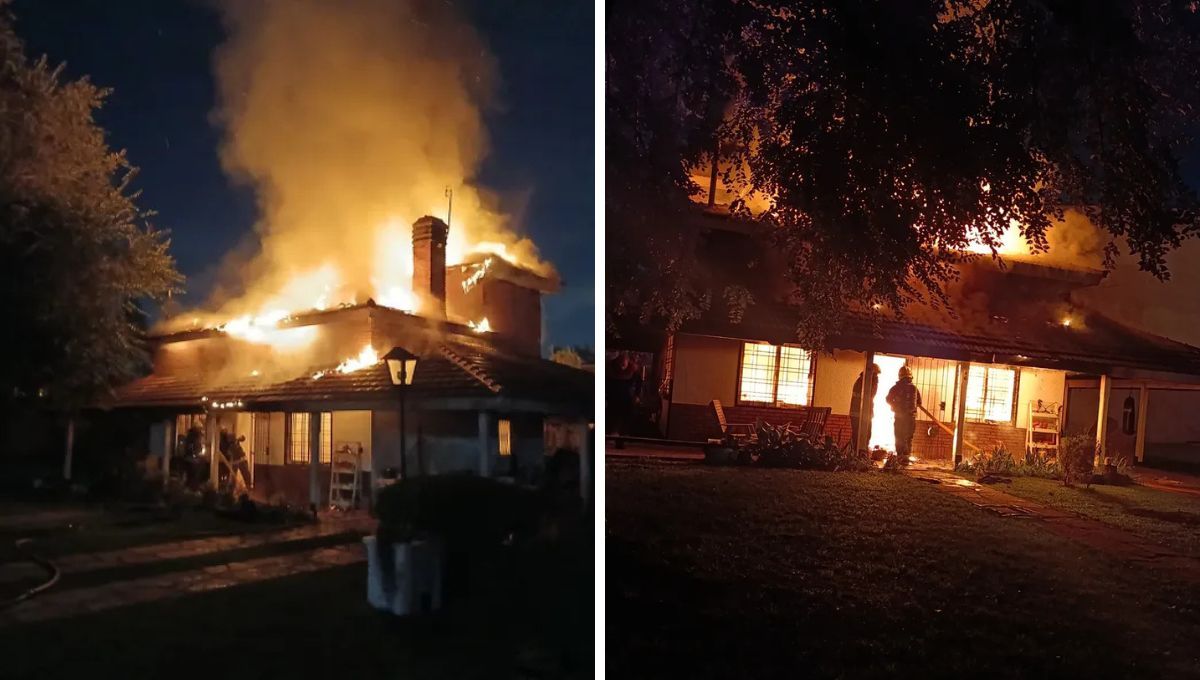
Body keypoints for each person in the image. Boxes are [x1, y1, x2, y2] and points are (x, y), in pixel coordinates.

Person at [885, 365, 922, 466]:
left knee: (899, 436)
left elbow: (887, 399)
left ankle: (900, 457)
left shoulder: (895, 388)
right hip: (911, 418)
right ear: (910, 376)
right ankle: (906, 457)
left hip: (899, 417)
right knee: (908, 437)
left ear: (900, 376)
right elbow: (919, 402)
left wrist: (894, 405)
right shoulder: (914, 388)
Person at [849, 363, 881, 452]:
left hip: (860, 413)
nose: (877, 378)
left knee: (859, 435)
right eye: (876, 375)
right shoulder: (865, 381)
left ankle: (855, 454)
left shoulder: (861, 380)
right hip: (862, 413)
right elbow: (870, 395)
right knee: (863, 435)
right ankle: (858, 454)